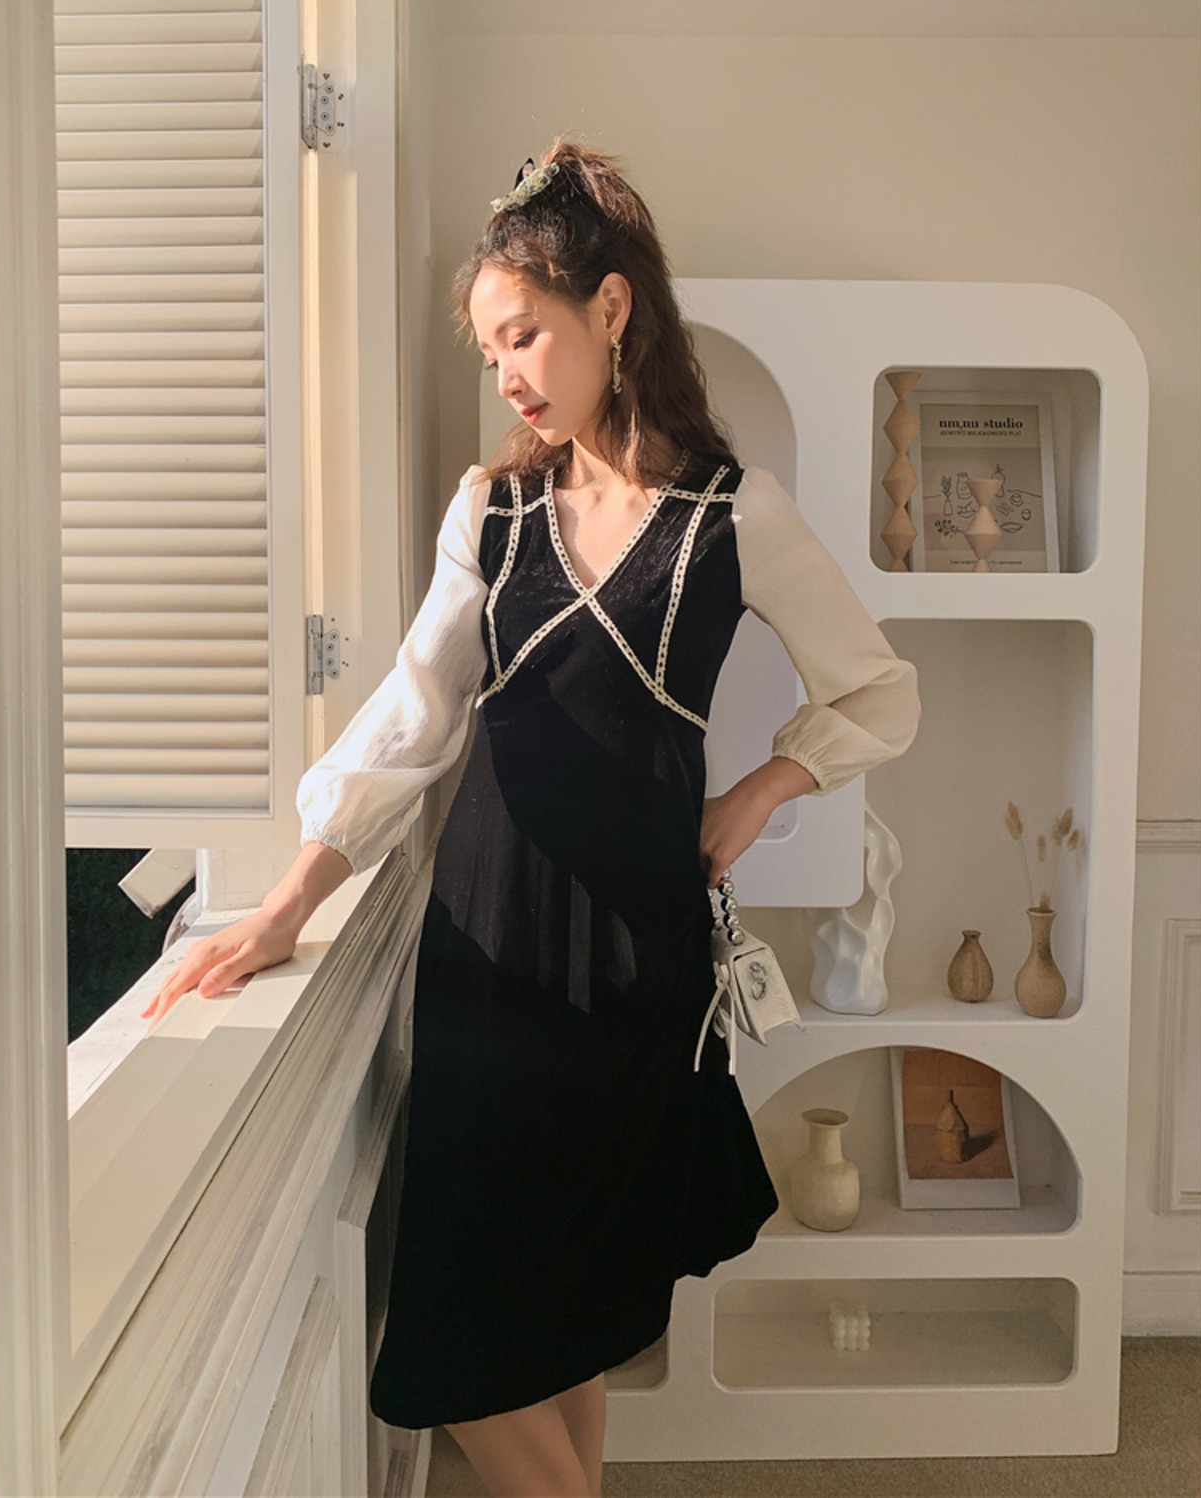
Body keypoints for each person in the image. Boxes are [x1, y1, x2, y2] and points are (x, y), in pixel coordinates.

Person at [142, 138, 922, 1497]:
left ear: (611, 309)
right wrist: (284, 904)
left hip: (639, 978)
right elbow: (412, 716)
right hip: (488, 958)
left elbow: (880, 691)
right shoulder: (491, 512)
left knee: (569, 1319)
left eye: (524, 335)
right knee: (461, 1353)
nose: (506, 372)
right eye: (491, 347)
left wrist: (759, 790)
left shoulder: (733, 515)